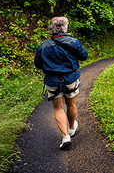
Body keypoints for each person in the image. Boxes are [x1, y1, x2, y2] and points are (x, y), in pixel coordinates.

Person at [34, 16, 89, 150]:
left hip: (52, 80)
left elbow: (38, 64)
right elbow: (84, 56)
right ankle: (71, 128)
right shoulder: (73, 42)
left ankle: (65, 137)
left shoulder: (43, 45)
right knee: (71, 104)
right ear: (64, 27)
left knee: (58, 108)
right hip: (70, 78)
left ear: (51, 29)